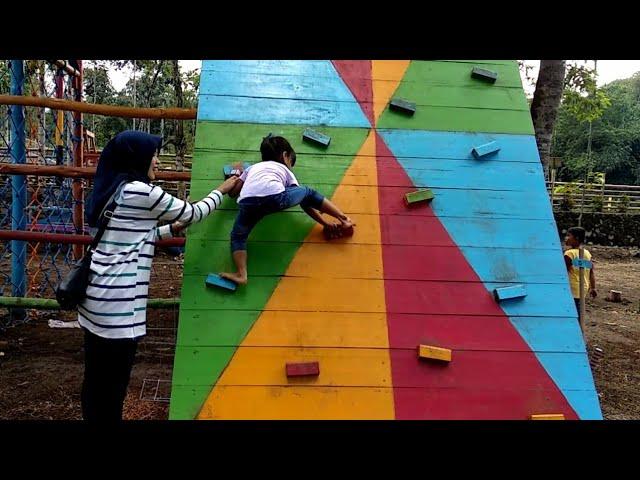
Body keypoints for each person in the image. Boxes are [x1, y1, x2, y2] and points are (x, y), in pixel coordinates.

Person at [79, 130, 238, 421]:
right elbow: (193, 212)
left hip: (95, 303)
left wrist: (169, 230)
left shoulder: (114, 190)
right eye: (152, 154)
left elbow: (130, 238)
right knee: (113, 390)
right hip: (120, 311)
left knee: (95, 383)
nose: (156, 160)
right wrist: (223, 189)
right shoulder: (142, 192)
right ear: (136, 158)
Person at [219, 134, 354, 286]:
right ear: (285, 156)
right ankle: (344, 219)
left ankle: (241, 273)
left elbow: (233, 193)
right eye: (291, 161)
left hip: (248, 202)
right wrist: (324, 223)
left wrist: (236, 173)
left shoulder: (251, 168)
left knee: (238, 237)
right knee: (308, 192)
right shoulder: (284, 169)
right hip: (276, 198)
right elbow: (304, 201)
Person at [564, 226, 597, 323]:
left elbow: (563, 272)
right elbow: (591, 272)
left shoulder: (569, 254)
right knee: (579, 312)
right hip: (583, 288)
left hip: (572, 288)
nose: (566, 238)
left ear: (576, 238)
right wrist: (593, 287)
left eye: (569, 236)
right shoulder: (587, 253)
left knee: (572, 314)